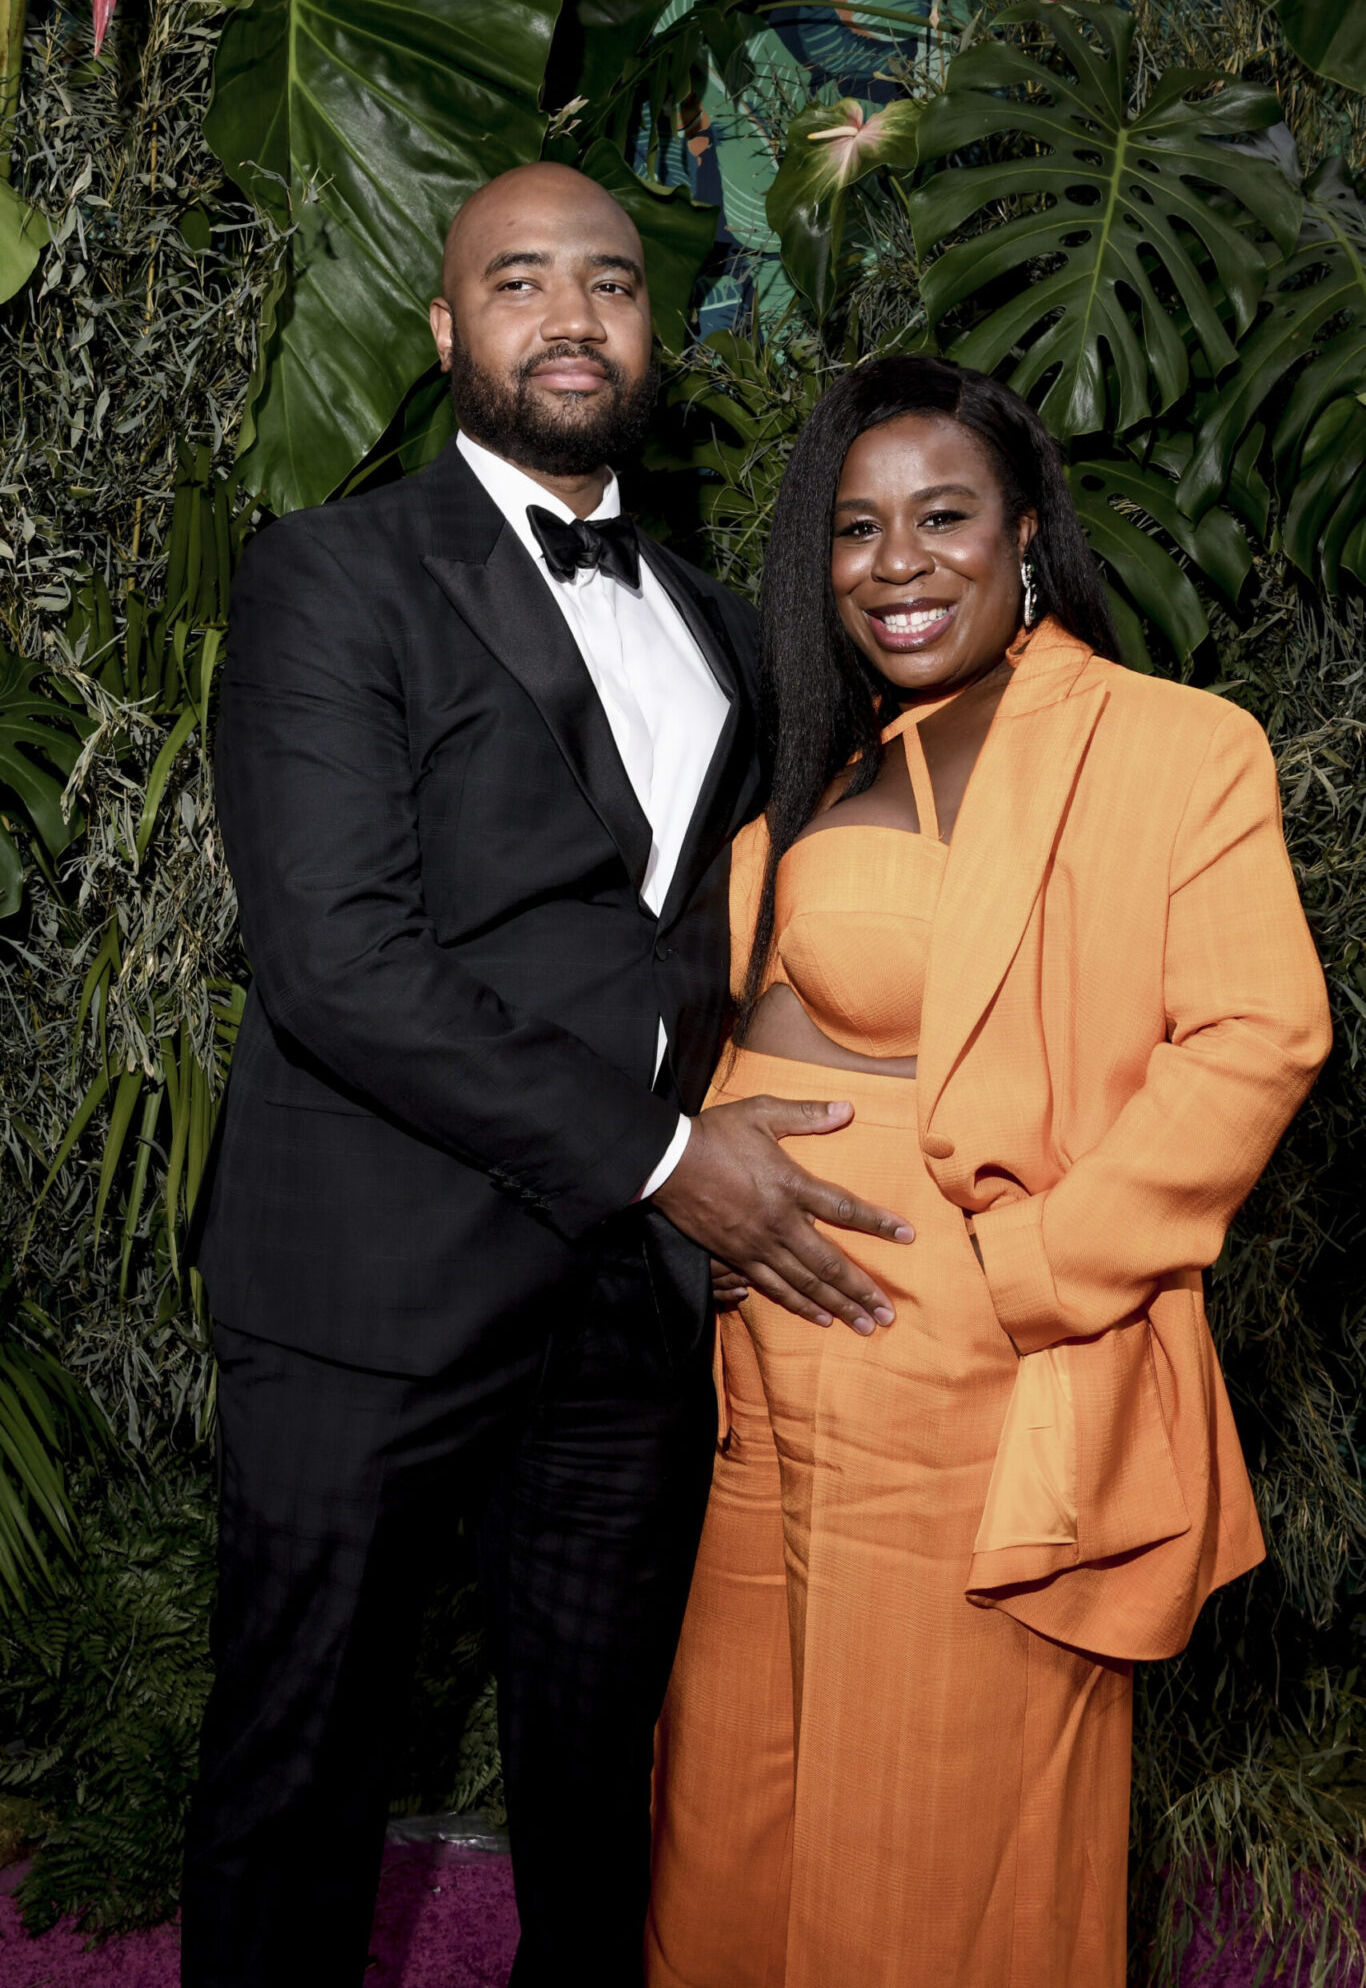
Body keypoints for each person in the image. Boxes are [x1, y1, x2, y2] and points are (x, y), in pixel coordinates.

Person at [179, 164, 916, 1988]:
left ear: (653, 332)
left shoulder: (725, 625)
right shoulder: (329, 573)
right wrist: (674, 1159)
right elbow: (342, 967)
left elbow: (730, 935)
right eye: (519, 280)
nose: (571, 314)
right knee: (304, 1768)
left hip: (620, 1311)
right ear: (446, 335)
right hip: (371, 1281)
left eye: (611, 281)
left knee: (599, 1788)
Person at [645, 357, 1332, 1988]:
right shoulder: (828, 757)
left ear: (1024, 534)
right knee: (730, 1825)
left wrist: (1026, 1275)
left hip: (964, 1378)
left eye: (943, 517)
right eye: (857, 527)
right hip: (761, 1376)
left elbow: (1256, 1036)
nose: (898, 562)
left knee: (928, 1851)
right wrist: (694, 1195)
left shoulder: (1166, 747)